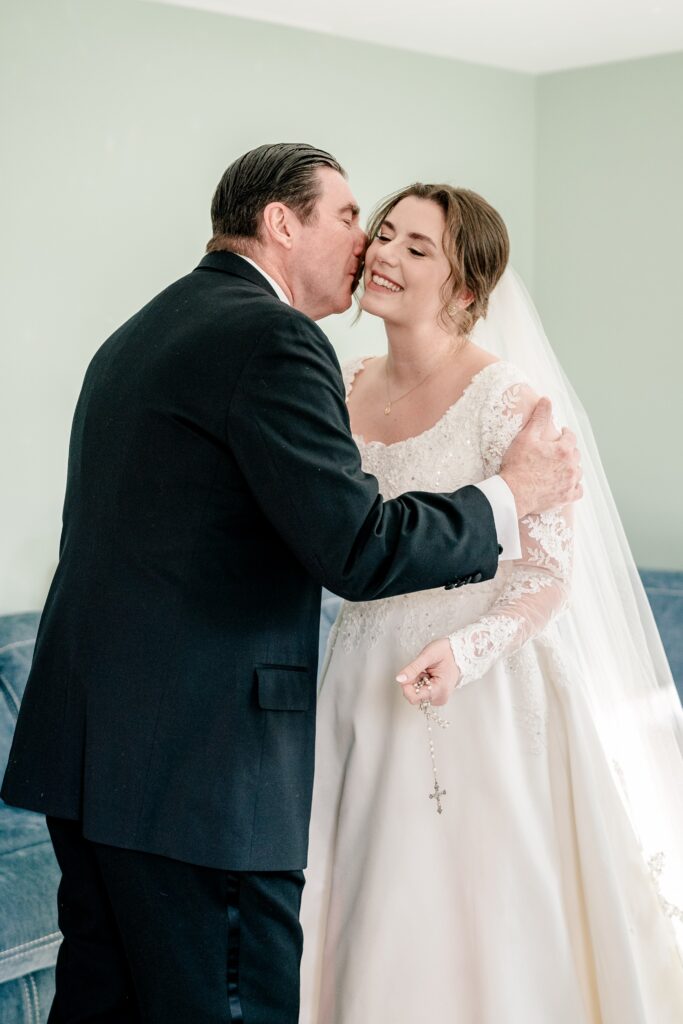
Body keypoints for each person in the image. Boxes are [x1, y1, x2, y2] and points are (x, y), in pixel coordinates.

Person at [0, 146, 580, 1022]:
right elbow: (355, 548)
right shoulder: (272, 338)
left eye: (401, 240)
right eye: (355, 219)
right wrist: (512, 494)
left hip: (98, 758)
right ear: (281, 222)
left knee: (104, 1002)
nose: (368, 245)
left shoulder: (144, 330)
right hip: (201, 774)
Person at [299, 183, 683, 1023]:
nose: (385, 257)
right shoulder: (342, 381)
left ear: (466, 290)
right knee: (359, 906)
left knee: (465, 915)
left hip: (479, 692)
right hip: (358, 678)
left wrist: (465, 654)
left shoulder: (508, 400)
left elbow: (546, 576)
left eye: (417, 249)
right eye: (386, 234)